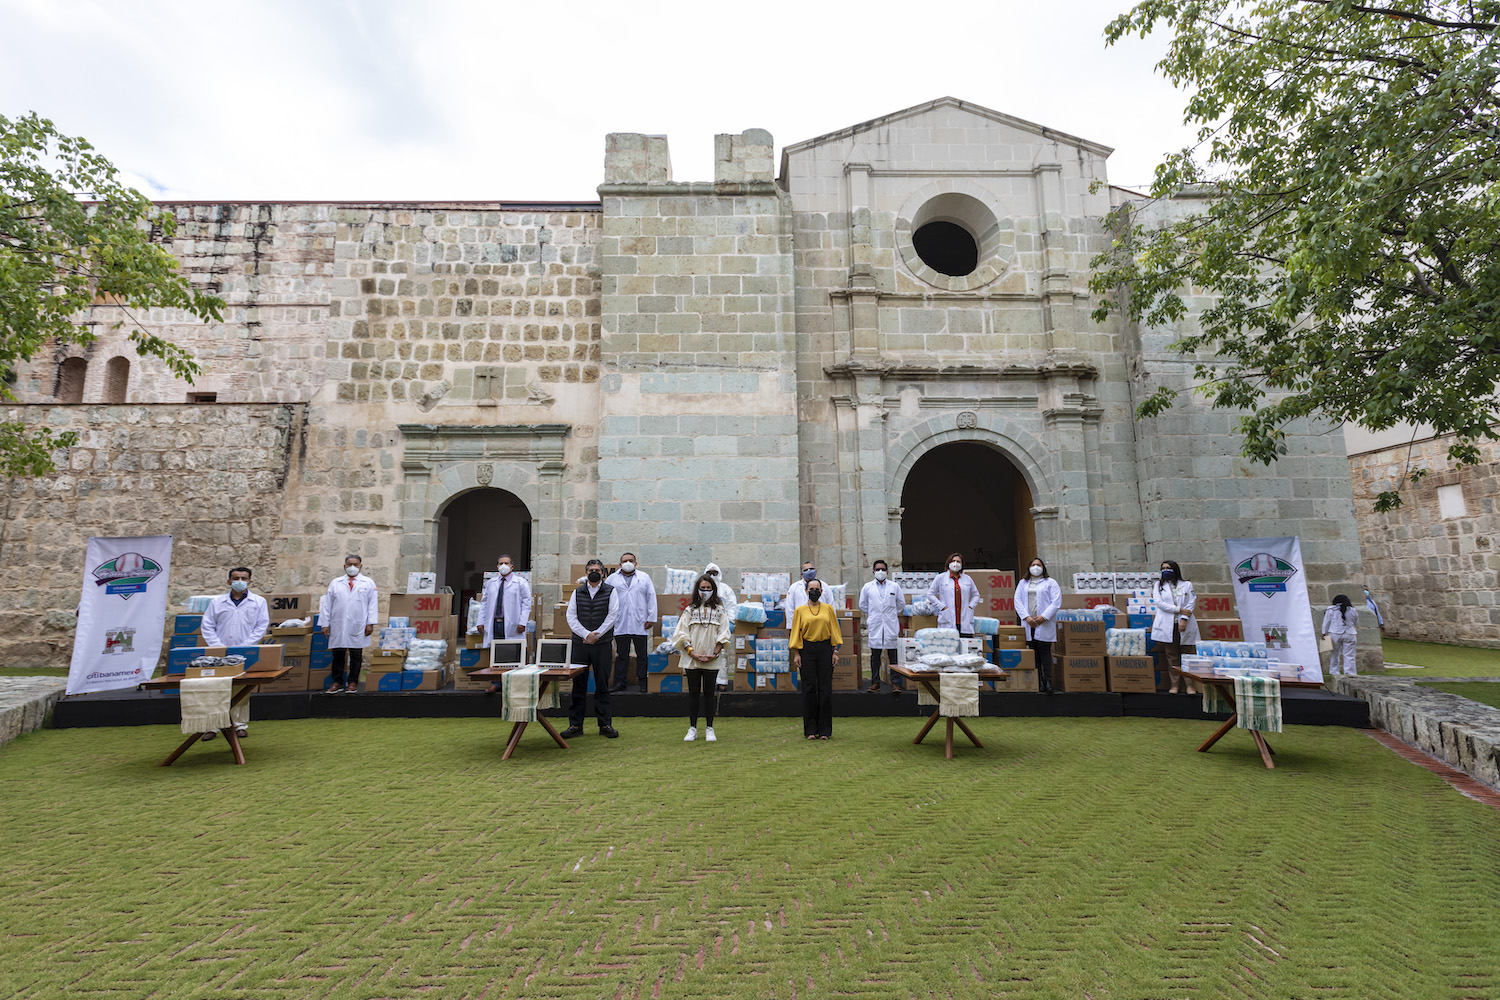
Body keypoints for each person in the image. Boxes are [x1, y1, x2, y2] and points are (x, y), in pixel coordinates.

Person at [198, 566, 270, 739]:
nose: (240, 581)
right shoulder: (217, 602)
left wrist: (245, 646)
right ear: (228, 581)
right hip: (219, 651)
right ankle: (213, 726)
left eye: (243, 578)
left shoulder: (258, 602)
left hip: (245, 651)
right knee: (216, 687)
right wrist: (218, 646)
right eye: (236, 578)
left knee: (241, 690)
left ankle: (239, 726)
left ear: (250, 581)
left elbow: (261, 626)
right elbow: (207, 625)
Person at [561, 559, 620, 739]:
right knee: (578, 685)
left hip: (602, 645)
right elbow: (571, 616)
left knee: (602, 685)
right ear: (586, 573)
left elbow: (613, 615)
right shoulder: (577, 592)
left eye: (597, 570)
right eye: (591, 570)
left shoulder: (611, 591)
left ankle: (604, 724)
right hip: (580, 645)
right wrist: (586, 634)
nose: (594, 572)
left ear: (603, 573)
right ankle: (575, 725)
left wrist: (597, 635)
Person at [671, 573, 733, 741]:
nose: (705, 591)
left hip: (712, 659)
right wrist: (692, 652)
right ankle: (692, 728)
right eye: (702, 588)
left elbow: (724, 633)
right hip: (692, 659)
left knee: (709, 693)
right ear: (697, 590)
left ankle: (709, 728)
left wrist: (715, 653)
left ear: (713, 589)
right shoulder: (690, 610)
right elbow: (681, 633)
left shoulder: (719, 610)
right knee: (693, 693)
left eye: (708, 588)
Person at [790, 578, 842, 740]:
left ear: (821, 591)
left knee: (825, 688)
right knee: (809, 688)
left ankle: (825, 729)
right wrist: (797, 654)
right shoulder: (800, 611)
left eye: (817, 589)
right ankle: (810, 729)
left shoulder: (828, 609)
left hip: (825, 649)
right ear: (806, 591)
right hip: (807, 650)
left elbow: (834, 629)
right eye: (811, 589)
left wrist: (835, 651)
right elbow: (796, 633)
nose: (814, 591)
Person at [321, 555, 378, 694]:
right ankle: (337, 682)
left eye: (355, 564)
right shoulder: (336, 582)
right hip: (338, 623)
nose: (352, 567)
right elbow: (327, 605)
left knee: (356, 654)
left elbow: (372, 604)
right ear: (344, 566)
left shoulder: (368, 583)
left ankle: (352, 682)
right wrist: (324, 623)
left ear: (361, 566)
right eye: (349, 564)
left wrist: (370, 623)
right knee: (338, 654)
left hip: (358, 623)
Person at [479, 554, 533, 696]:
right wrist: (480, 621)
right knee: (495, 654)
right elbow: (484, 603)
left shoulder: (520, 582)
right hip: (494, 623)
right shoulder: (491, 582)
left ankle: (512, 685)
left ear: (512, 566)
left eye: (506, 563)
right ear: (497, 567)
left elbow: (527, 603)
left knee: (512, 654)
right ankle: (496, 684)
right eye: (501, 563)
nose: (503, 565)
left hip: (513, 624)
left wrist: (522, 622)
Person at [606, 553, 658, 693]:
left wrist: (652, 618)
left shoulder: (644, 577)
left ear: (636, 563)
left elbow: (651, 596)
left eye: (630, 560)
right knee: (622, 655)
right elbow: (605, 598)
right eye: (625, 561)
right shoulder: (612, 579)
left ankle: (642, 682)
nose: (627, 562)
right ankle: (620, 682)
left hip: (640, 622)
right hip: (620, 622)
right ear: (620, 564)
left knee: (642, 654)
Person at [1014, 557, 1061, 693]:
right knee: (1034, 653)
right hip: (1029, 622)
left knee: (1045, 653)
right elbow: (1017, 600)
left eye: (1038, 565)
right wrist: (1026, 617)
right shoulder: (1023, 583)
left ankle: (1048, 682)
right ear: (1029, 567)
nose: (1035, 567)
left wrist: (1043, 617)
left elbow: (1056, 602)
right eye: (1033, 565)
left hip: (1044, 622)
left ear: (1043, 567)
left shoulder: (1051, 583)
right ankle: (1039, 681)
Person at [1152, 560, 1200, 695]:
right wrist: (1179, 610)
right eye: (1163, 568)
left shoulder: (1186, 585)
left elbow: (1191, 602)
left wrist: (1184, 619)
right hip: (1167, 625)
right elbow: (1159, 603)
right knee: (1172, 656)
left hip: (1184, 624)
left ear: (1175, 569)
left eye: (1168, 568)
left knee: (1187, 655)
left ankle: (1190, 685)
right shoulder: (1158, 585)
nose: (1165, 570)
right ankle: (1175, 685)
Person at [858, 559, 905, 694]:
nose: (880, 572)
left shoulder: (894, 587)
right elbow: (863, 604)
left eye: (883, 569)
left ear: (887, 572)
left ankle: (895, 683)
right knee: (875, 655)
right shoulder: (867, 587)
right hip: (876, 623)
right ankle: (875, 682)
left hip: (890, 623)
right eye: (878, 569)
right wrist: (874, 614)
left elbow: (900, 604)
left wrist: (890, 614)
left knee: (893, 654)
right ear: (873, 572)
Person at [928, 552, 981, 637]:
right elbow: (930, 594)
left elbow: (976, 595)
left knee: (964, 646)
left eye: (958, 561)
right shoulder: (940, 578)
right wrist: (942, 606)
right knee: (949, 646)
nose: (955, 563)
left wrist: (970, 606)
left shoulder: (967, 579)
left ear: (962, 564)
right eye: (953, 561)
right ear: (949, 563)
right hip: (947, 618)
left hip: (964, 619)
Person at [703, 562, 738, 689]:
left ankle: (722, 681)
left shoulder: (725, 589)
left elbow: (732, 607)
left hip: (722, 625)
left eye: (714, 573)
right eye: (709, 573)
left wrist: (730, 622)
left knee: (721, 653)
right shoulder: (702, 589)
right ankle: (708, 682)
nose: (712, 576)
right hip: (705, 626)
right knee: (705, 651)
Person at [1323, 594, 1360, 676]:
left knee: (1334, 654)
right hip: (1349, 633)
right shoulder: (1352, 610)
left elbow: (1326, 622)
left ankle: (1334, 672)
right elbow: (1356, 622)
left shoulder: (1331, 609)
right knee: (1349, 654)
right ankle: (1350, 672)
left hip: (1334, 633)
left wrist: (1324, 633)